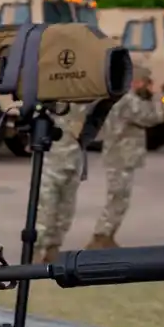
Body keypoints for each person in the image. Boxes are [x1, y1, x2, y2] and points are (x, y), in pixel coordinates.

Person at [88, 66, 164, 249]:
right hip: (120, 156)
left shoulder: (123, 97)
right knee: (117, 197)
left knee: (120, 198)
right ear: (137, 81)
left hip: (121, 155)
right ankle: (101, 236)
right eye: (146, 82)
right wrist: (156, 97)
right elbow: (153, 117)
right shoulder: (129, 100)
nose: (148, 86)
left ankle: (107, 236)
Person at [34, 100, 94, 264]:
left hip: (73, 164)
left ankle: (52, 254)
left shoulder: (85, 101)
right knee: (45, 214)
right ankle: (34, 257)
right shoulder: (54, 99)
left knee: (65, 215)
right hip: (52, 163)